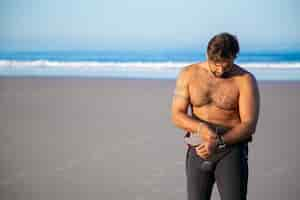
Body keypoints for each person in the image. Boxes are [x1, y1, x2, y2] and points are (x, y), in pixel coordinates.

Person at [171, 32, 260, 200]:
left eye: (226, 66)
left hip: (231, 150)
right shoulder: (188, 74)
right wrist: (201, 128)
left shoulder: (245, 80)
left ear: (235, 57)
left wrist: (219, 141)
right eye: (216, 65)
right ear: (207, 55)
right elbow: (176, 115)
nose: (220, 71)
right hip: (198, 147)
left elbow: (249, 125)